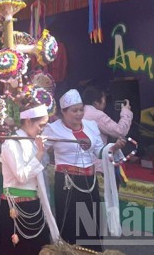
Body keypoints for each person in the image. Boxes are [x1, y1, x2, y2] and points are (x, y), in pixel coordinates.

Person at [43, 89, 125, 252]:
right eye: (74, 110)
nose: (79, 114)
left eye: (81, 109)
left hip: (89, 182)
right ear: (64, 112)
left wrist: (113, 148)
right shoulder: (52, 129)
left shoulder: (91, 126)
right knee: (70, 225)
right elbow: (39, 152)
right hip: (67, 184)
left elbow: (99, 152)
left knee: (91, 224)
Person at [0, 98, 57, 254]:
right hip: (15, 209)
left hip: (34, 205)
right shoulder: (11, 143)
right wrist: (39, 153)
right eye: (41, 125)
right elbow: (22, 176)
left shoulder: (33, 142)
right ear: (29, 121)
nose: (42, 130)